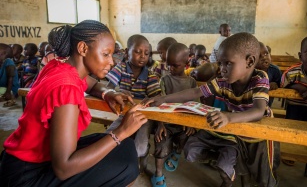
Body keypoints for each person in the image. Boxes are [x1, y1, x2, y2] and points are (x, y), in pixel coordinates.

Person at [0, 20, 147, 186]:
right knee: (126, 166)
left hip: (24, 158)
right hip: (26, 175)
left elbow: (89, 83)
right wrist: (121, 131)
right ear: (83, 48)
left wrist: (108, 93)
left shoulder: (58, 66)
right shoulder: (66, 89)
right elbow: (64, 169)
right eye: (106, 54)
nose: (111, 62)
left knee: (125, 148)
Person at [142, 33, 279, 187]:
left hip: (261, 136)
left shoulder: (259, 78)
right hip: (240, 133)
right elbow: (195, 92)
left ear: (249, 61)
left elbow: (259, 111)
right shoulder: (223, 81)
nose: (222, 69)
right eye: (220, 63)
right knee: (243, 170)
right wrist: (163, 99)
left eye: (228, 63)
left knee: (264, 176)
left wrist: (228, 117)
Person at [105, 34, 161, 173]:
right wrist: (119, 90)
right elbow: (108, 87)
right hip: (124, 113)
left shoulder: (150, 75)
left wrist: (161, 123)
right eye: (137, 52)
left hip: (144, 116)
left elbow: (157, 99)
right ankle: (119, 163)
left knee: (140, 148)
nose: (142, 56)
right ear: (126, 52)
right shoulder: (121, 68)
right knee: (107, 138)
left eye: (146, 53)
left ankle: (142, 160)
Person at [151, 43, 196, 187]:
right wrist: (160, 124)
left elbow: (197, 106)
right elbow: (159, 104)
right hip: (167, 123)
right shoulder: (165, 80)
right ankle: (158, 173)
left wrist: (191, 124)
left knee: (188, 136)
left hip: (184, 123)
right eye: (168, 65)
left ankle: (177, 152)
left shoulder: (192, 83)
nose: (170, 68)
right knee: (161, 144)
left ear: (186, 64)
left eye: (175, 65)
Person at [280, 34, 307, 166]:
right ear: (300, 55)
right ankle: (290, 150)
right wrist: (297, 86)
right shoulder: (292, 72)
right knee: (292, 128)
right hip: (295, 107)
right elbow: (282, 85)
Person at [256, 42, 282, 106]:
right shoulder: (248, 70)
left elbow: (281, 86)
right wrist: (267, 85)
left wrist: (276, 85)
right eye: (259, 56)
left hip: (267, 103)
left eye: (266, 54)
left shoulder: (275, 70)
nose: (264, 57)